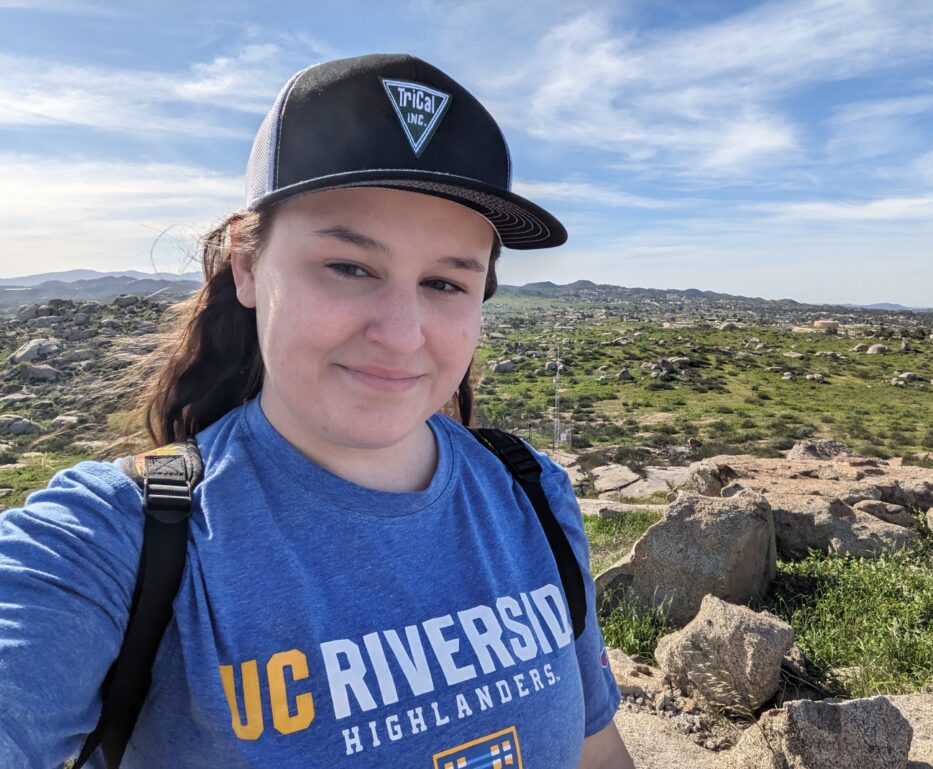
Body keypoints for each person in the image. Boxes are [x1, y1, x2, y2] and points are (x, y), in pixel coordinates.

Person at [0, 54, 634, 768]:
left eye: (445, 282)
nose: (400, 333)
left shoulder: (532, 496)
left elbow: (596, 749)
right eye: (350, 266)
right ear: (246, 263)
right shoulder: (117, 540)